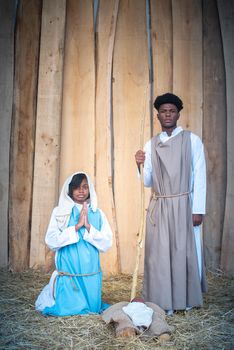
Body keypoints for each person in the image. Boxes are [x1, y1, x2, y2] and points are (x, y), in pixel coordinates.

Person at [135, 93, 207, 315]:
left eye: (172, 111)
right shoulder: (150, 144)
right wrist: (138, 164)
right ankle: (162, 301)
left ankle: (184, 300)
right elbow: (148, 181)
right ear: (157, 116)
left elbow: (200, 175)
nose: (168, 114)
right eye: (163, 111)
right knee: (159, 254)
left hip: (184, 204)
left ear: (178, 114)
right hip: (161, 205)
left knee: (183, 252)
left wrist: (198, 210)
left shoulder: (191, 140)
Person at [35, 171, 112, 316]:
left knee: (92, 310)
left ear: (90, 189)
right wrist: (76, 227)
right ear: (70, 190)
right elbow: (51, 240)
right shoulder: (60, 212)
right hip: (69, 272)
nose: (81, 191)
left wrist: (88, 226)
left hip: (90, 272)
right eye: (76, 187)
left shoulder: (98, 213)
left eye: (85, 187)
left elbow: (107, 243)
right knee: (70, 309)